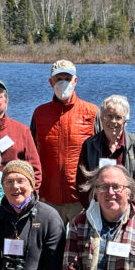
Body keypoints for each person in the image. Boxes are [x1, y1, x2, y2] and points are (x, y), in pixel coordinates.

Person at [31, 60, 99, 224]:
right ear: (50, 82)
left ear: (75, 81)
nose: (63, 83)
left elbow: (103, 153)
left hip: (81, 198)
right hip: (47, 198)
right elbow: (31, 153)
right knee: (50, 247)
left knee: (81, 246)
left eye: (67, 79)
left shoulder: (91, 112)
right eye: (58, 79)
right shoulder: (40, 113)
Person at [76, 95, 135, 211]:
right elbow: (82, 184)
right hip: (96, 212)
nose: (113, 121)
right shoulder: (89, 145)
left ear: (125, 121)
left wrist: (126, 210)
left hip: (130, 212)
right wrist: (96, 210)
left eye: (118, 117)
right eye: (109, 116)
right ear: (101, 118)